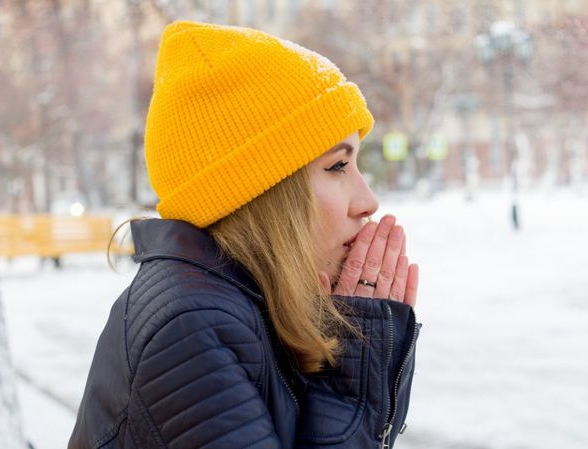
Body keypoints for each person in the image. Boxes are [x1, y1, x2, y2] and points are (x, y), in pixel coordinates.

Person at [69, 21, 420, 449]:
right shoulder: (191, 329)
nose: (368, 201)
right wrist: (352, 388)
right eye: (337, 167)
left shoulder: (242, 304)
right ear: (261, 192)